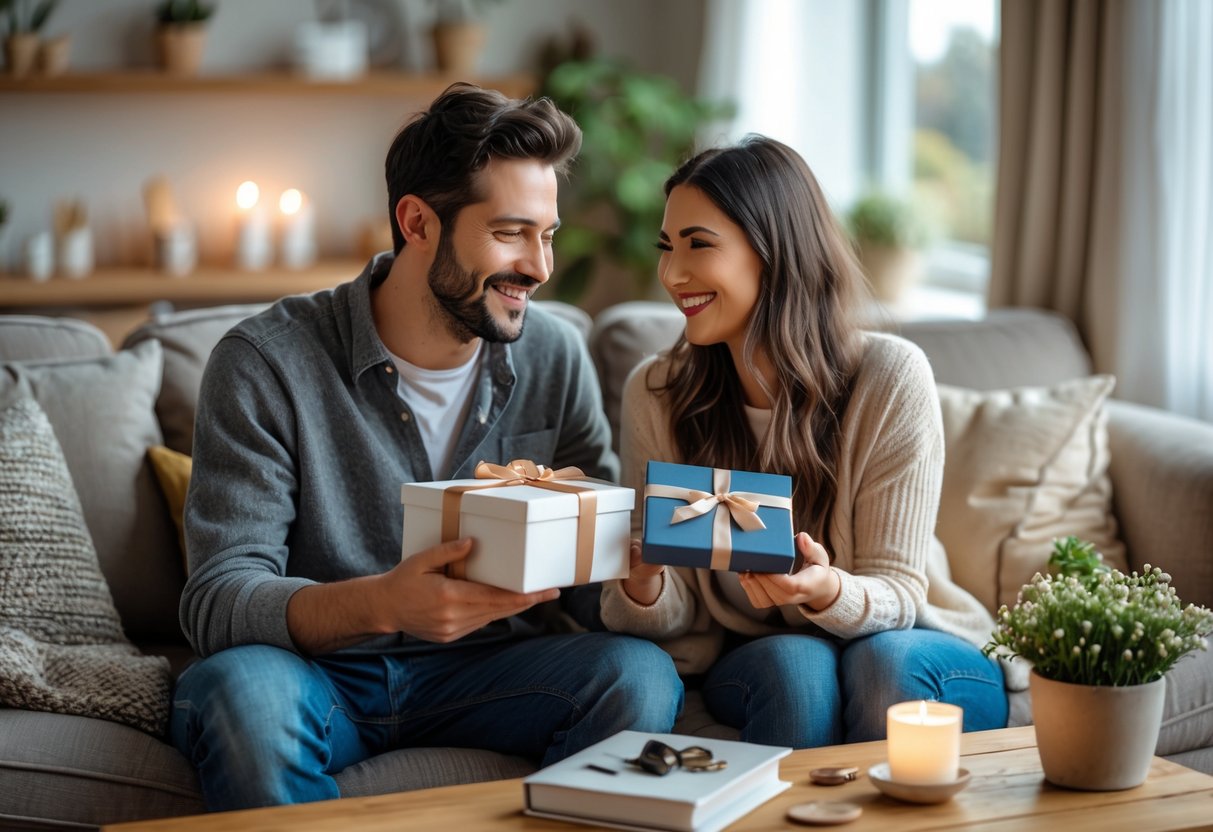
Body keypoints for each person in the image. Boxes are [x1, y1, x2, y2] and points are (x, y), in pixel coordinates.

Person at [172, 83, 682, 811]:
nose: (539, 267)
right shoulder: (266, 362)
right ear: (416, 221)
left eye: (548, 234)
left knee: (637, 674)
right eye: (510, 232)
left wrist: (629, 575)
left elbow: (587, 590)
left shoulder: (554, 356)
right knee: (241, 691)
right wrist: (383, 603)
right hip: (316, 674)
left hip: (493, 670)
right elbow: (219, 600)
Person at [600, 135, 1008, 748]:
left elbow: (898, 591)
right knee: (797, 668)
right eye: (666, 247)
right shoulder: (656, 393)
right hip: (761, 648)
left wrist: (829, 591)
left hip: (908, 640)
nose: (672, 273)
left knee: (883, 665)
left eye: (698, 245)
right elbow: (671, 608)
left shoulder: (890, 377)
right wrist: (641, 580)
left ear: (775, 252)